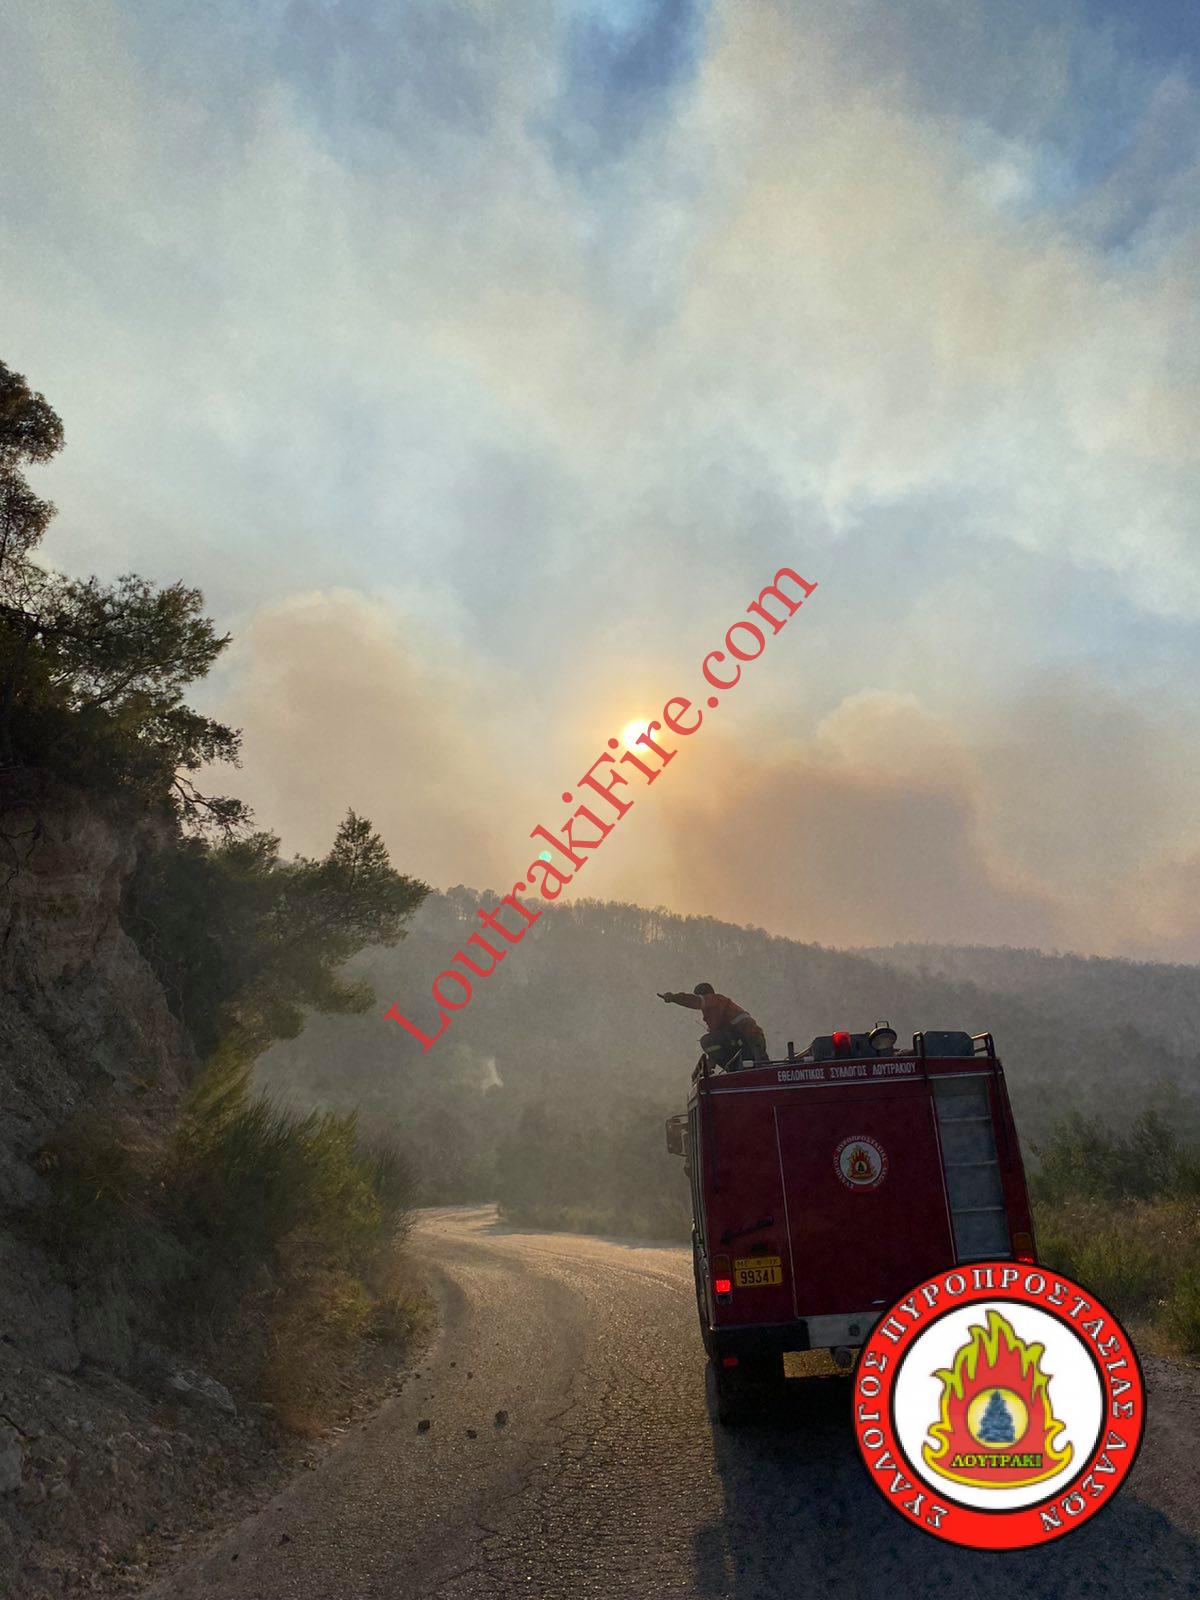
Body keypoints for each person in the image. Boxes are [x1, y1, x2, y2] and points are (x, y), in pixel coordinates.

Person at [658, 983, 769, 1069]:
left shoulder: (715, 999)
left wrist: (674, 998)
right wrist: (708, 1064)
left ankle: (734, 1069)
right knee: (759, 1068)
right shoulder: (718, 1013)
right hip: (749, 1041)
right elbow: (719, 1042)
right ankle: (740, 1068)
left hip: (746, 1040)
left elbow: (695, 1001)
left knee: (706, 1041)